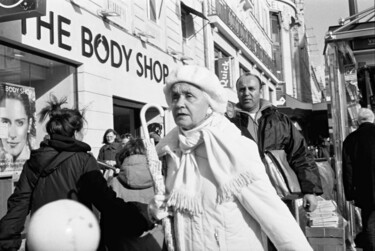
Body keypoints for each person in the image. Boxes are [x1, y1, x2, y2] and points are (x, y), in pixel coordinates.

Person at [148, 65, 312, 250]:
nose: (179, 103)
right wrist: (159, 210)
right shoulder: (170, 151)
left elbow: (275, 216)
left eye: (189, 96)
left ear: (209, 102)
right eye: (175, 96)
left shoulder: (233, 146)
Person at [0, 95, 153, 251]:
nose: (83, 135)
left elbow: (18, 206)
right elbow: (106, 202)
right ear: (75, 133)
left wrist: (5, 242)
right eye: (82, 131)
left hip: (41, 242)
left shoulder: (34, 161)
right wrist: (140, 219)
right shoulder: (84, 160)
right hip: (79, 242)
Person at [228, 73, 323, 213]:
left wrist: (310, 190)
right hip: (245, 198)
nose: (246, 93)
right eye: (242, 89)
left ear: (260, 91)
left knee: (283, 234)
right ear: (237, 93)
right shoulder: (228, 124)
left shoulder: (280, 120)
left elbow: (300, 154)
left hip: (280, 196)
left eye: (251, 88)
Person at [110, 137, 164, 251]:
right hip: (156, 242)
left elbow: (106, 218)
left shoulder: (113, 182)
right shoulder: (160, 182)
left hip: (122, 244)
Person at [342, 108, 375, 251]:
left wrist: (350, 193)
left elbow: (348, 169)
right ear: (373, 119)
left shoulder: (351, 139)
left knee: (370, 224)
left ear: (357, 121)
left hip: (365, 191)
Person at [0, 85, 36, 172]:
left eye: (20, 123)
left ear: (29, 124)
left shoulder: (36, 164)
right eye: (5, 122)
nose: (12, 134)